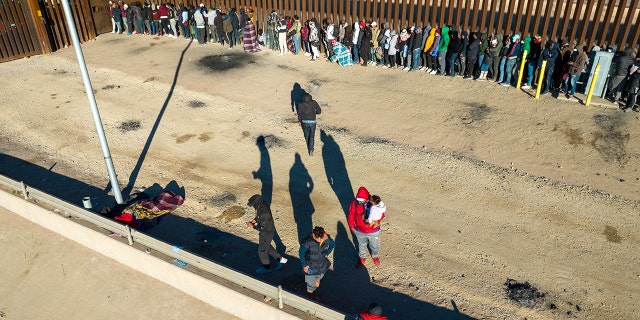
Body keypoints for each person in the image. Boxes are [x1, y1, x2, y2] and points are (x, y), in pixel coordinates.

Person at [245, 194, 288, 274]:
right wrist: (254, 221)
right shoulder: (262, 205)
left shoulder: (264, 213)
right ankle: (281, 260)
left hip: (266, 232)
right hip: (268, 230)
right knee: (266, 246)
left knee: (262, 250)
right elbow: (259, 217)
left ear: (256, 203)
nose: (253, 207)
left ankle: (266, 268)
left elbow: (262, 227)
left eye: (253, 205)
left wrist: (253, 226)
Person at [348, 186, 385, 268]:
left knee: (375, 246)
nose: (360, 203)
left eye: (362, 201)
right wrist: (352, 227)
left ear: (367, 198)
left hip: (373, 231)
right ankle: (362, 258)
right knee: (362, 245)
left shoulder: (374, 202)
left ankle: (375, 256)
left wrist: (377, 221)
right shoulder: (354, 203)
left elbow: (382, 214)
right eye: (359, 201)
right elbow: (351, 215)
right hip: (360, 230)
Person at [299, 226, 335, 301]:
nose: (319, 240)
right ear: (313, 234)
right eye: (317, 238)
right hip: (310, 267)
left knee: (317, 280)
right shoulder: (307, 242)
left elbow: (332, 244)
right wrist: (305, 265)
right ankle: (311, 299)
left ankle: (317, 281)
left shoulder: (325, 238)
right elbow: (301, 253)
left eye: (320, 238)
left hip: (321, 265)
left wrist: (326, 253)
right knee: (310, 286)